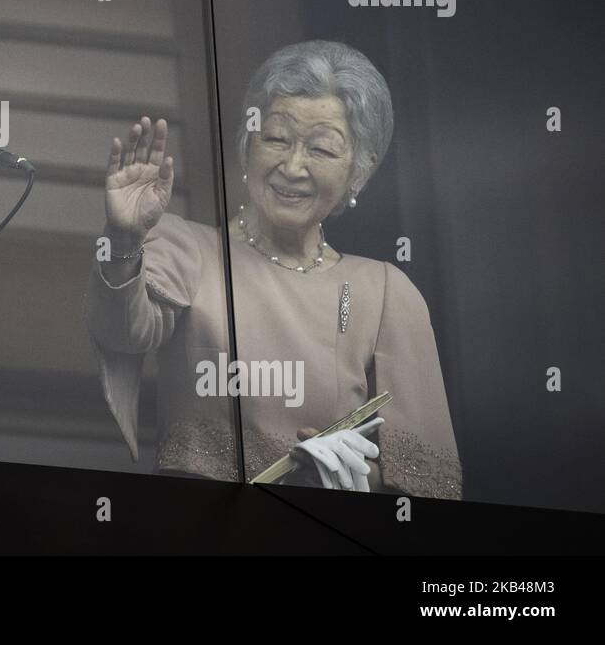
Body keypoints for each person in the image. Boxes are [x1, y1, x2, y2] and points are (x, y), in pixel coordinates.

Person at [83, 40, 461, 498]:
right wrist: (123, 238)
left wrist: (355, 478)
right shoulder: (187, 247)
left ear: (358, 172)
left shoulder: (385, 293)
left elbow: (427, 484)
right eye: (277, 138)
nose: (293, 166)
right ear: (247, 145)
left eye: (321, 149)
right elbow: (122, 330)